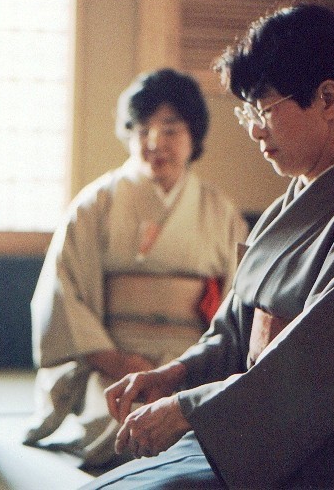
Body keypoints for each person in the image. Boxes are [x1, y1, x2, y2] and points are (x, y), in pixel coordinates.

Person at [82, 4, 334, 489]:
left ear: (328, 99)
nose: (254, 128)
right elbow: (233, 332)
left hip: (328, 458)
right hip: (254, 437)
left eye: (265, 109)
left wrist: (186, 409)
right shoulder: (284, 209)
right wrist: (175, 375)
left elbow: (315, 374)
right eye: (248, 112)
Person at [24, 68, 248, 468]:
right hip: (112, 365)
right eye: (142, 130)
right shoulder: (95, 204)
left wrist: (183, 370)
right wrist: (118, 361)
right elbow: (63, 295)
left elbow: (239, 303)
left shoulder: (221, 212)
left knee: (206, 422)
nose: (155, 142)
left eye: (170, 129)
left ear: (193, 135)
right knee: (117, 425)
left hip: (192, 366)